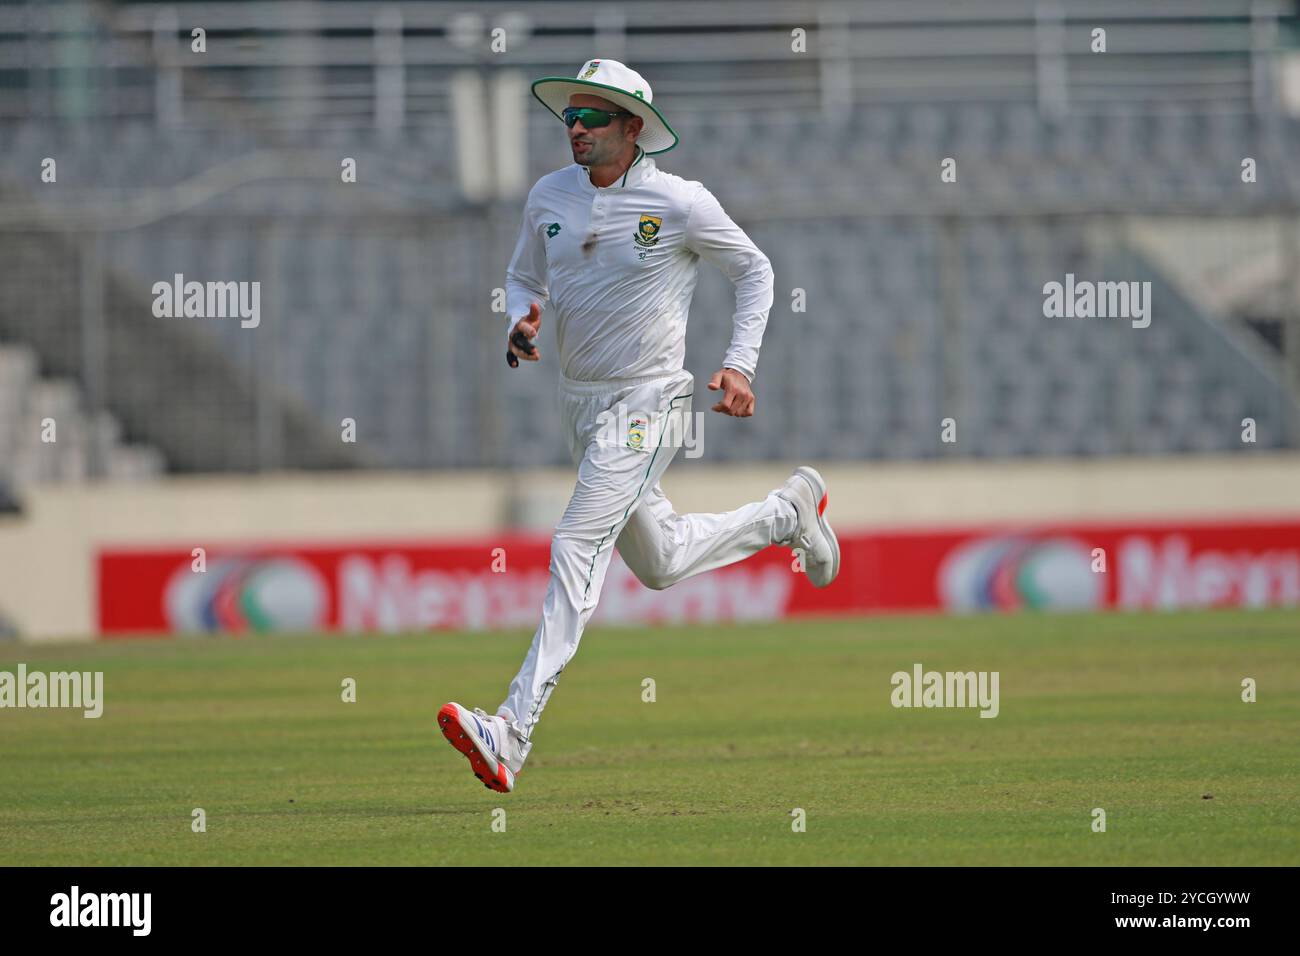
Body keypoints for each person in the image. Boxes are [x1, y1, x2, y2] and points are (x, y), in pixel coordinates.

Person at [439, 58, 840, 792]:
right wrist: (519, 321)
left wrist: (739, 363)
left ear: (634, 128)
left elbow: (756, 271)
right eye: (571, 115)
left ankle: (510, 731)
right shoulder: (547, 196)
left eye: (593, 117)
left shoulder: (679, 202)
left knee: (575, 542)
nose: (577, 127)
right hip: (581, 403)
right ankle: (788, 514)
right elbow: (525, 277)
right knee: (657, 563)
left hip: (650, 402)